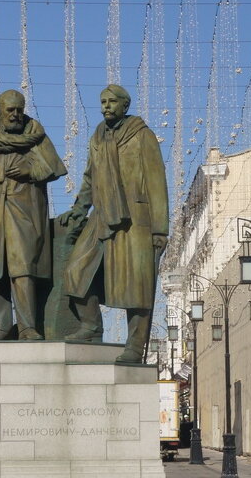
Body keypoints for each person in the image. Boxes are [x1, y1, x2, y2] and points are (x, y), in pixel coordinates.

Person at [59, 84, 169, 363]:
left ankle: (134, 345)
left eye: (112, 102)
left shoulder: (142, 136)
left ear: (125, 106)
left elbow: (157, 182)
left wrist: (160, 228)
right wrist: (79, 208)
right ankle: (91, 326)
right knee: (76, 270)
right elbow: (89, 178)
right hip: (102, 216)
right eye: (103, 101)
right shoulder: (98, 136)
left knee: (137, 286)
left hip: (137, 219)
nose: (106, 106)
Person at [0, 89, 67, 340]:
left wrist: (30, 170)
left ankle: (27, 326)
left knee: (23, 269)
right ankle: (2, 326)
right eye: (11, 110)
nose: (16, 114)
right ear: (0, 110)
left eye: (19, 109)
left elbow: (53, 168)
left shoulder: (35, 134)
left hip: (25, 212)